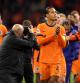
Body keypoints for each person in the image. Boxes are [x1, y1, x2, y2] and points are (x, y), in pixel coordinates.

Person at [37, 7, 66, 83]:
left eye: (55, 12)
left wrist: (58, 34)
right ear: (47, 15)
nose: (55, 14)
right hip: (43, 60)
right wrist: (53, 36)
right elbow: (39, 41)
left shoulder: (61, 28)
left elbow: (63, 44)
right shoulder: (40, 26)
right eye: (52, 12)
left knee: (54, 80)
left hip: (56, 60)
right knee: (44, 81)